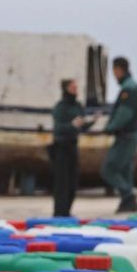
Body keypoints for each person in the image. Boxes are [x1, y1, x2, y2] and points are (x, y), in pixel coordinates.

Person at [100, 57, 137, 214]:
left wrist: (110, 127)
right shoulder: (131, 86)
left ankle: (129, 197)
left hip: (126, 135)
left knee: (109, 169)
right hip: (131, 135)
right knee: (125, 170)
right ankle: (128, 202)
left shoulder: (128, 88)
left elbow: (125, 113)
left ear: (119, 69)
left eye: (114, 70)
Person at [49, 79, 92, 217]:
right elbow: (58, 128)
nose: (75, 89)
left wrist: (90, 122)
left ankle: (67, 211)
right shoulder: (60, 107)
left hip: (73, 146)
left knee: (73, 182)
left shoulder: (78, 106)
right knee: (62, 182)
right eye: (73, 87)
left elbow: (82, 125)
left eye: (76, 87)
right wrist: (72, 125)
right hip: (61, 147)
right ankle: (59, 212)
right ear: (66, 89)